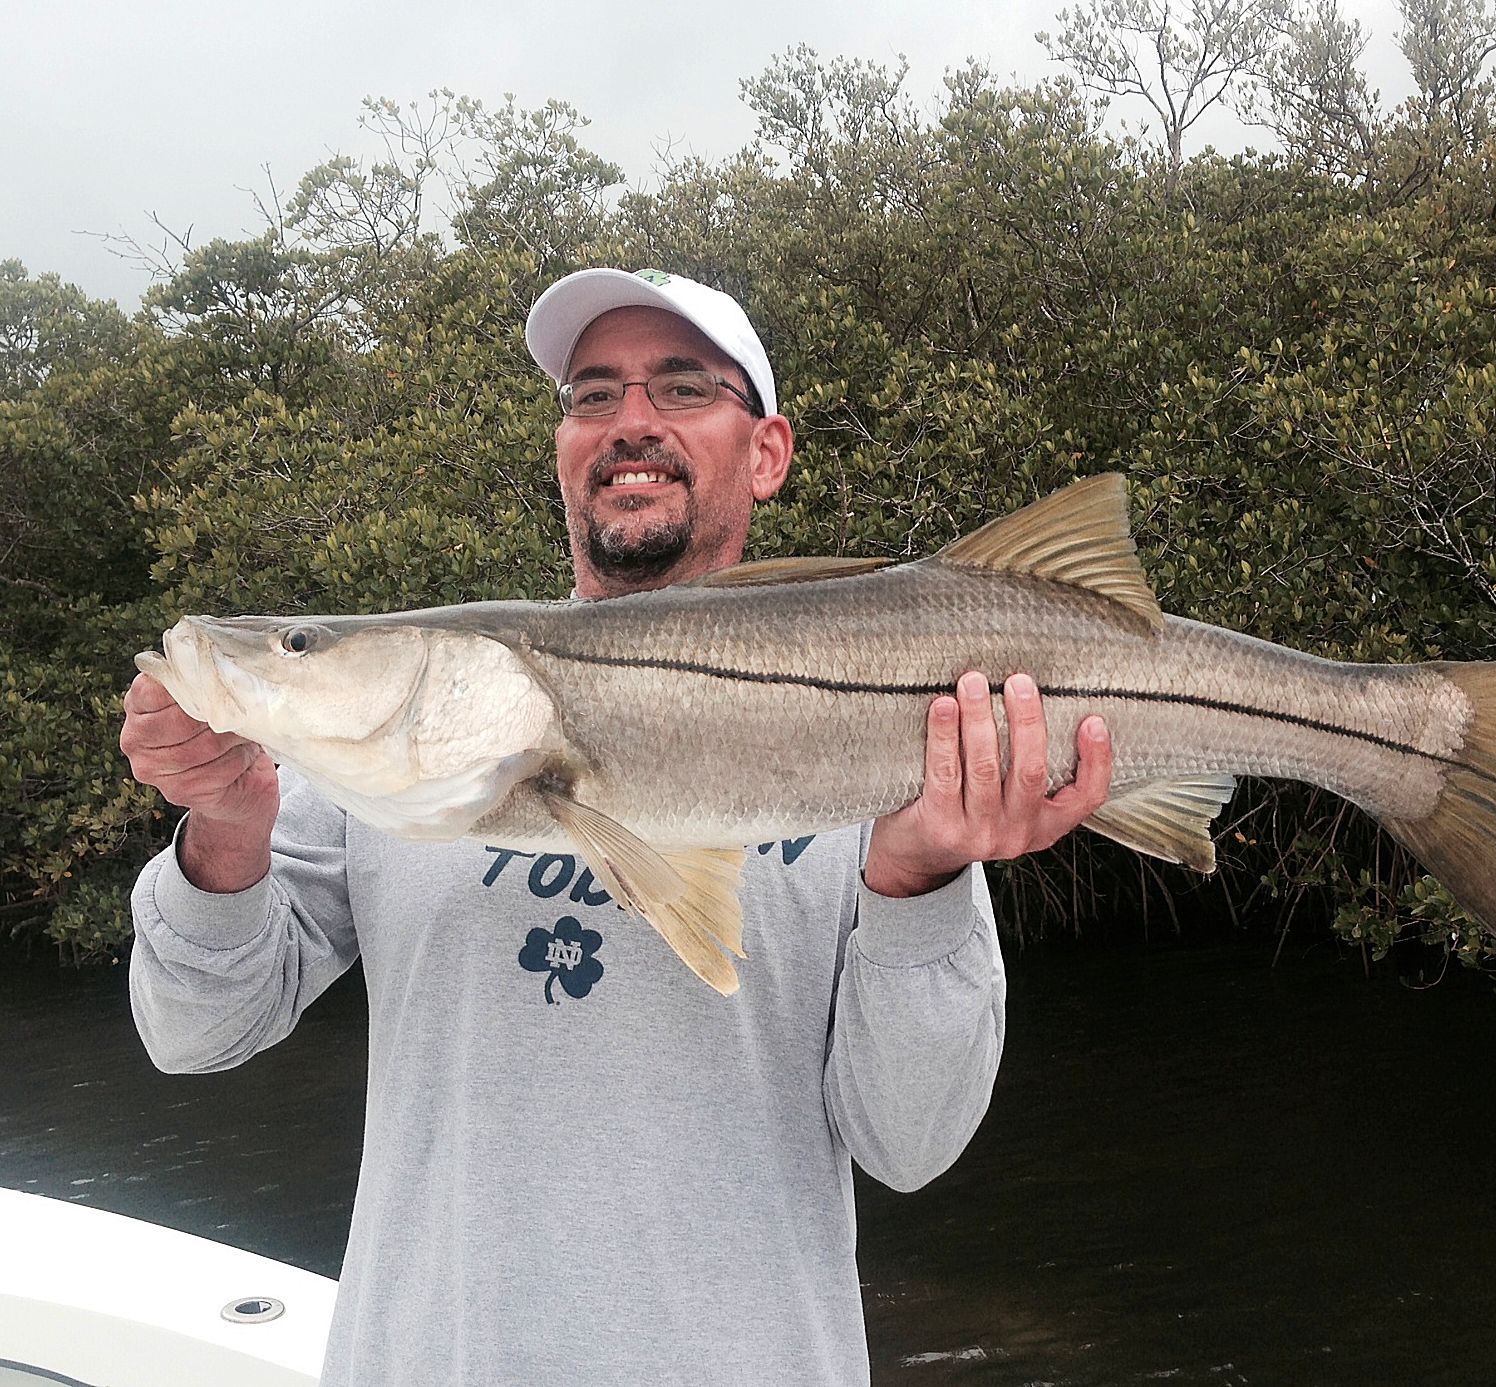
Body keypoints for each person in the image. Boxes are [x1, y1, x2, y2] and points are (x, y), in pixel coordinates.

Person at [120, 268, 1114, 1386]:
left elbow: (910, 1143)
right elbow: (191, 1034)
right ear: (561, 449)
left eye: (680, 387)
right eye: (590, 395)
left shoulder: (906, 743)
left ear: (769, 451)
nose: (627, 421)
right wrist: (225, 829)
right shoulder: (376, 771)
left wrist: (919, 878)